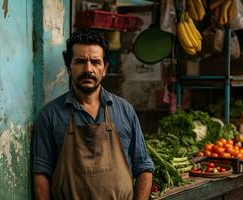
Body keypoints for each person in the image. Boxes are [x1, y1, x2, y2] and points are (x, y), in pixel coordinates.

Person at [33, 28, 154, 200]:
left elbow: (143, 168)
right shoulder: (49, 115)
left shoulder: (125, 111)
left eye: (95, 62)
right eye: (80, 61)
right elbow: (41, 175)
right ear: (69, 68)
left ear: (104, 68)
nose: (88, 69)